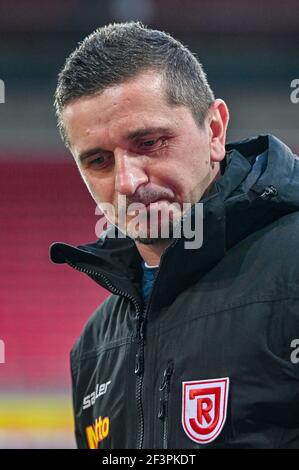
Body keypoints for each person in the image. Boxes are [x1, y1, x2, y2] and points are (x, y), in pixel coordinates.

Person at [50, 22, 299, 449]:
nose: (127, 181)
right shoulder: (93, 348)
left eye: (148, 142)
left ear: (215, 131)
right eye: (98, 160)